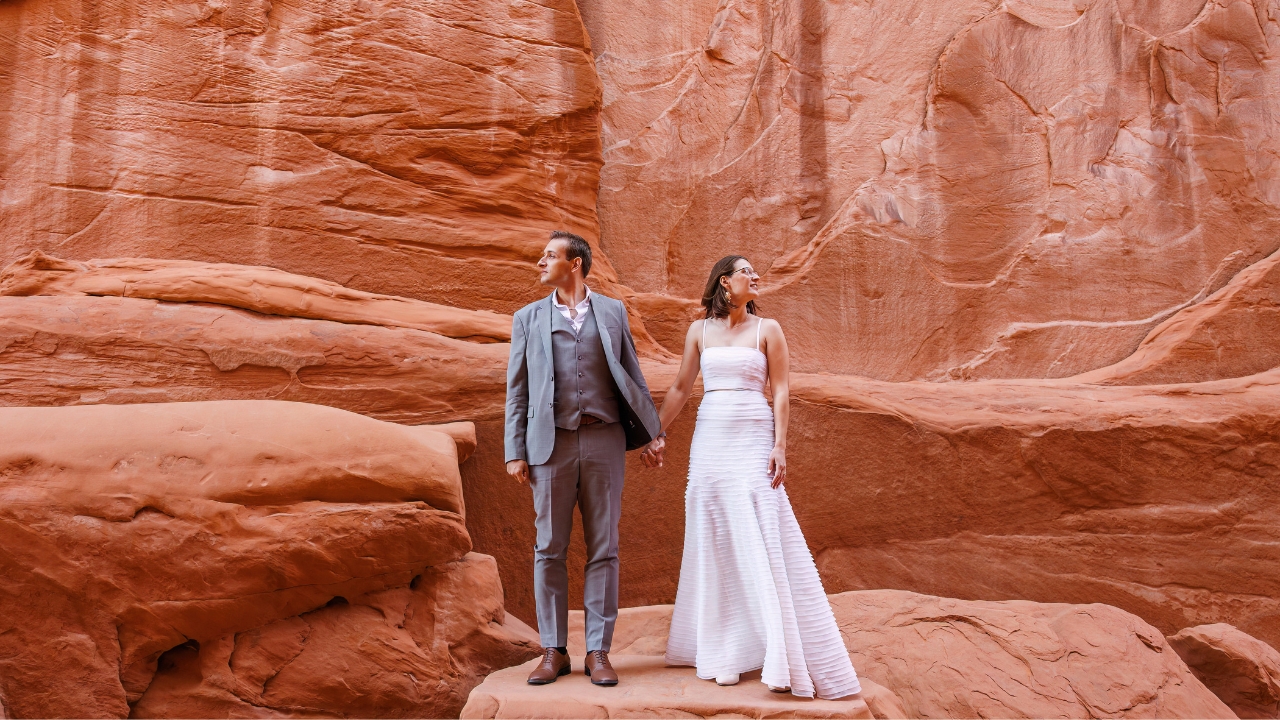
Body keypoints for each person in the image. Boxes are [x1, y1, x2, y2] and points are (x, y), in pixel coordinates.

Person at [640, 255, 862, 700]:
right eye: (747, 271)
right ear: (725, 281)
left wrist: (780, 445)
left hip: (753, 434)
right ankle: (725, 649)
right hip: (710, 439)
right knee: (716, 535)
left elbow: (780, 389)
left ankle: (778, 648)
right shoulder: (699, 331)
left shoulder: (768, 330)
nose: (756, 277)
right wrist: (655, 432)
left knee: (759, 530)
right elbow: (683, 387)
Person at [504, 230, 662, 688]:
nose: (540, 261)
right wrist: (515, 450)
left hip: (604, 440)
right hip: (548, 446)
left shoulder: (611, 311)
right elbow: (517, 390)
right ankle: (553, 649)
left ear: (574, 264)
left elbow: (632, 373)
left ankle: (598, 651)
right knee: (549, 547)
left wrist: (653, 434)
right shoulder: (527, 318)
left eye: (549, 256)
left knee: (604, 547)